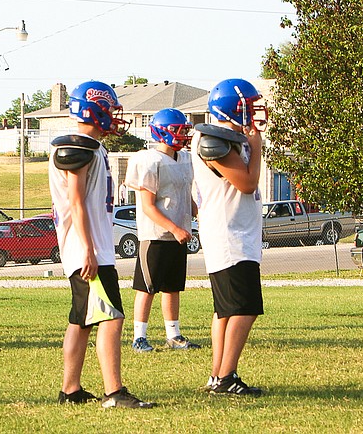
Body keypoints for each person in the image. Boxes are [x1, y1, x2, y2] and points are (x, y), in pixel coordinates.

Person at [49, 81, 154, 409]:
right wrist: (89, 249)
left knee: (81, 320)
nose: (113, 116)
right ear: (93, 110)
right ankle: (114, 392)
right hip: (86, 247)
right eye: (108, 110)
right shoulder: (76, 147)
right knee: (111, 317)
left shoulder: (94, 146)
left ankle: (70, 389)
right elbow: (76, 202)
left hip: (88, 245)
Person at [191, 78, 267, 396]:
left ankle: (217, 376)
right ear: (233, 108)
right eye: (248, 106)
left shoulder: (228, 137)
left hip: (234, 232)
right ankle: (226, 377)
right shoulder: (212, 140)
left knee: (225, 310)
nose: (254, 111)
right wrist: (257, 144)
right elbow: (246, 183)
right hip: (230, 235)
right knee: (244, 307)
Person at [125, 108, 200, 353]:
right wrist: (174, 228)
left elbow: (185, 195)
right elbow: (147, 206)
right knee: (147, 287)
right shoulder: (149, 160)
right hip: (155, 235)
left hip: (178, 232)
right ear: (163, 132)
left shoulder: (185, 158)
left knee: (173, 286)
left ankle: (173, 334)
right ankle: (139, 336)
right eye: (178, 131)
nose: (183, 135)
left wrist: (199, 213)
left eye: (184, 131)